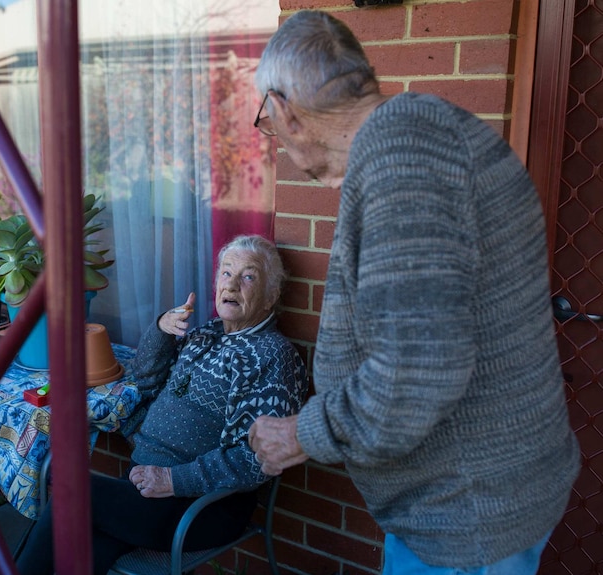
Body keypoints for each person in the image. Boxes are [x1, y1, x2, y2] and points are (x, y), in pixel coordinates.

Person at [246, 9, 580, 575]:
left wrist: (300, 435)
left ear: (284, 111)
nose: (271, 133)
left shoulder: (404, 159)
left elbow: (417, 372)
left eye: (264, 119)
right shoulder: (420, 136)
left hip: (466, 520)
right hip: (477, 505)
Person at [17, 234, 309, 574]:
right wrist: (161, 330)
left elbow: (256, 460)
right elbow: (144, 380)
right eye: (226, 273)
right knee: (84, 553)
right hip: (145, 488)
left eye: (248, 276)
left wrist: (174, 480)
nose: (232, 285)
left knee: (71, 494)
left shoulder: (273, 356)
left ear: (271, 295)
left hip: (202, 506)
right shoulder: (205, 334)